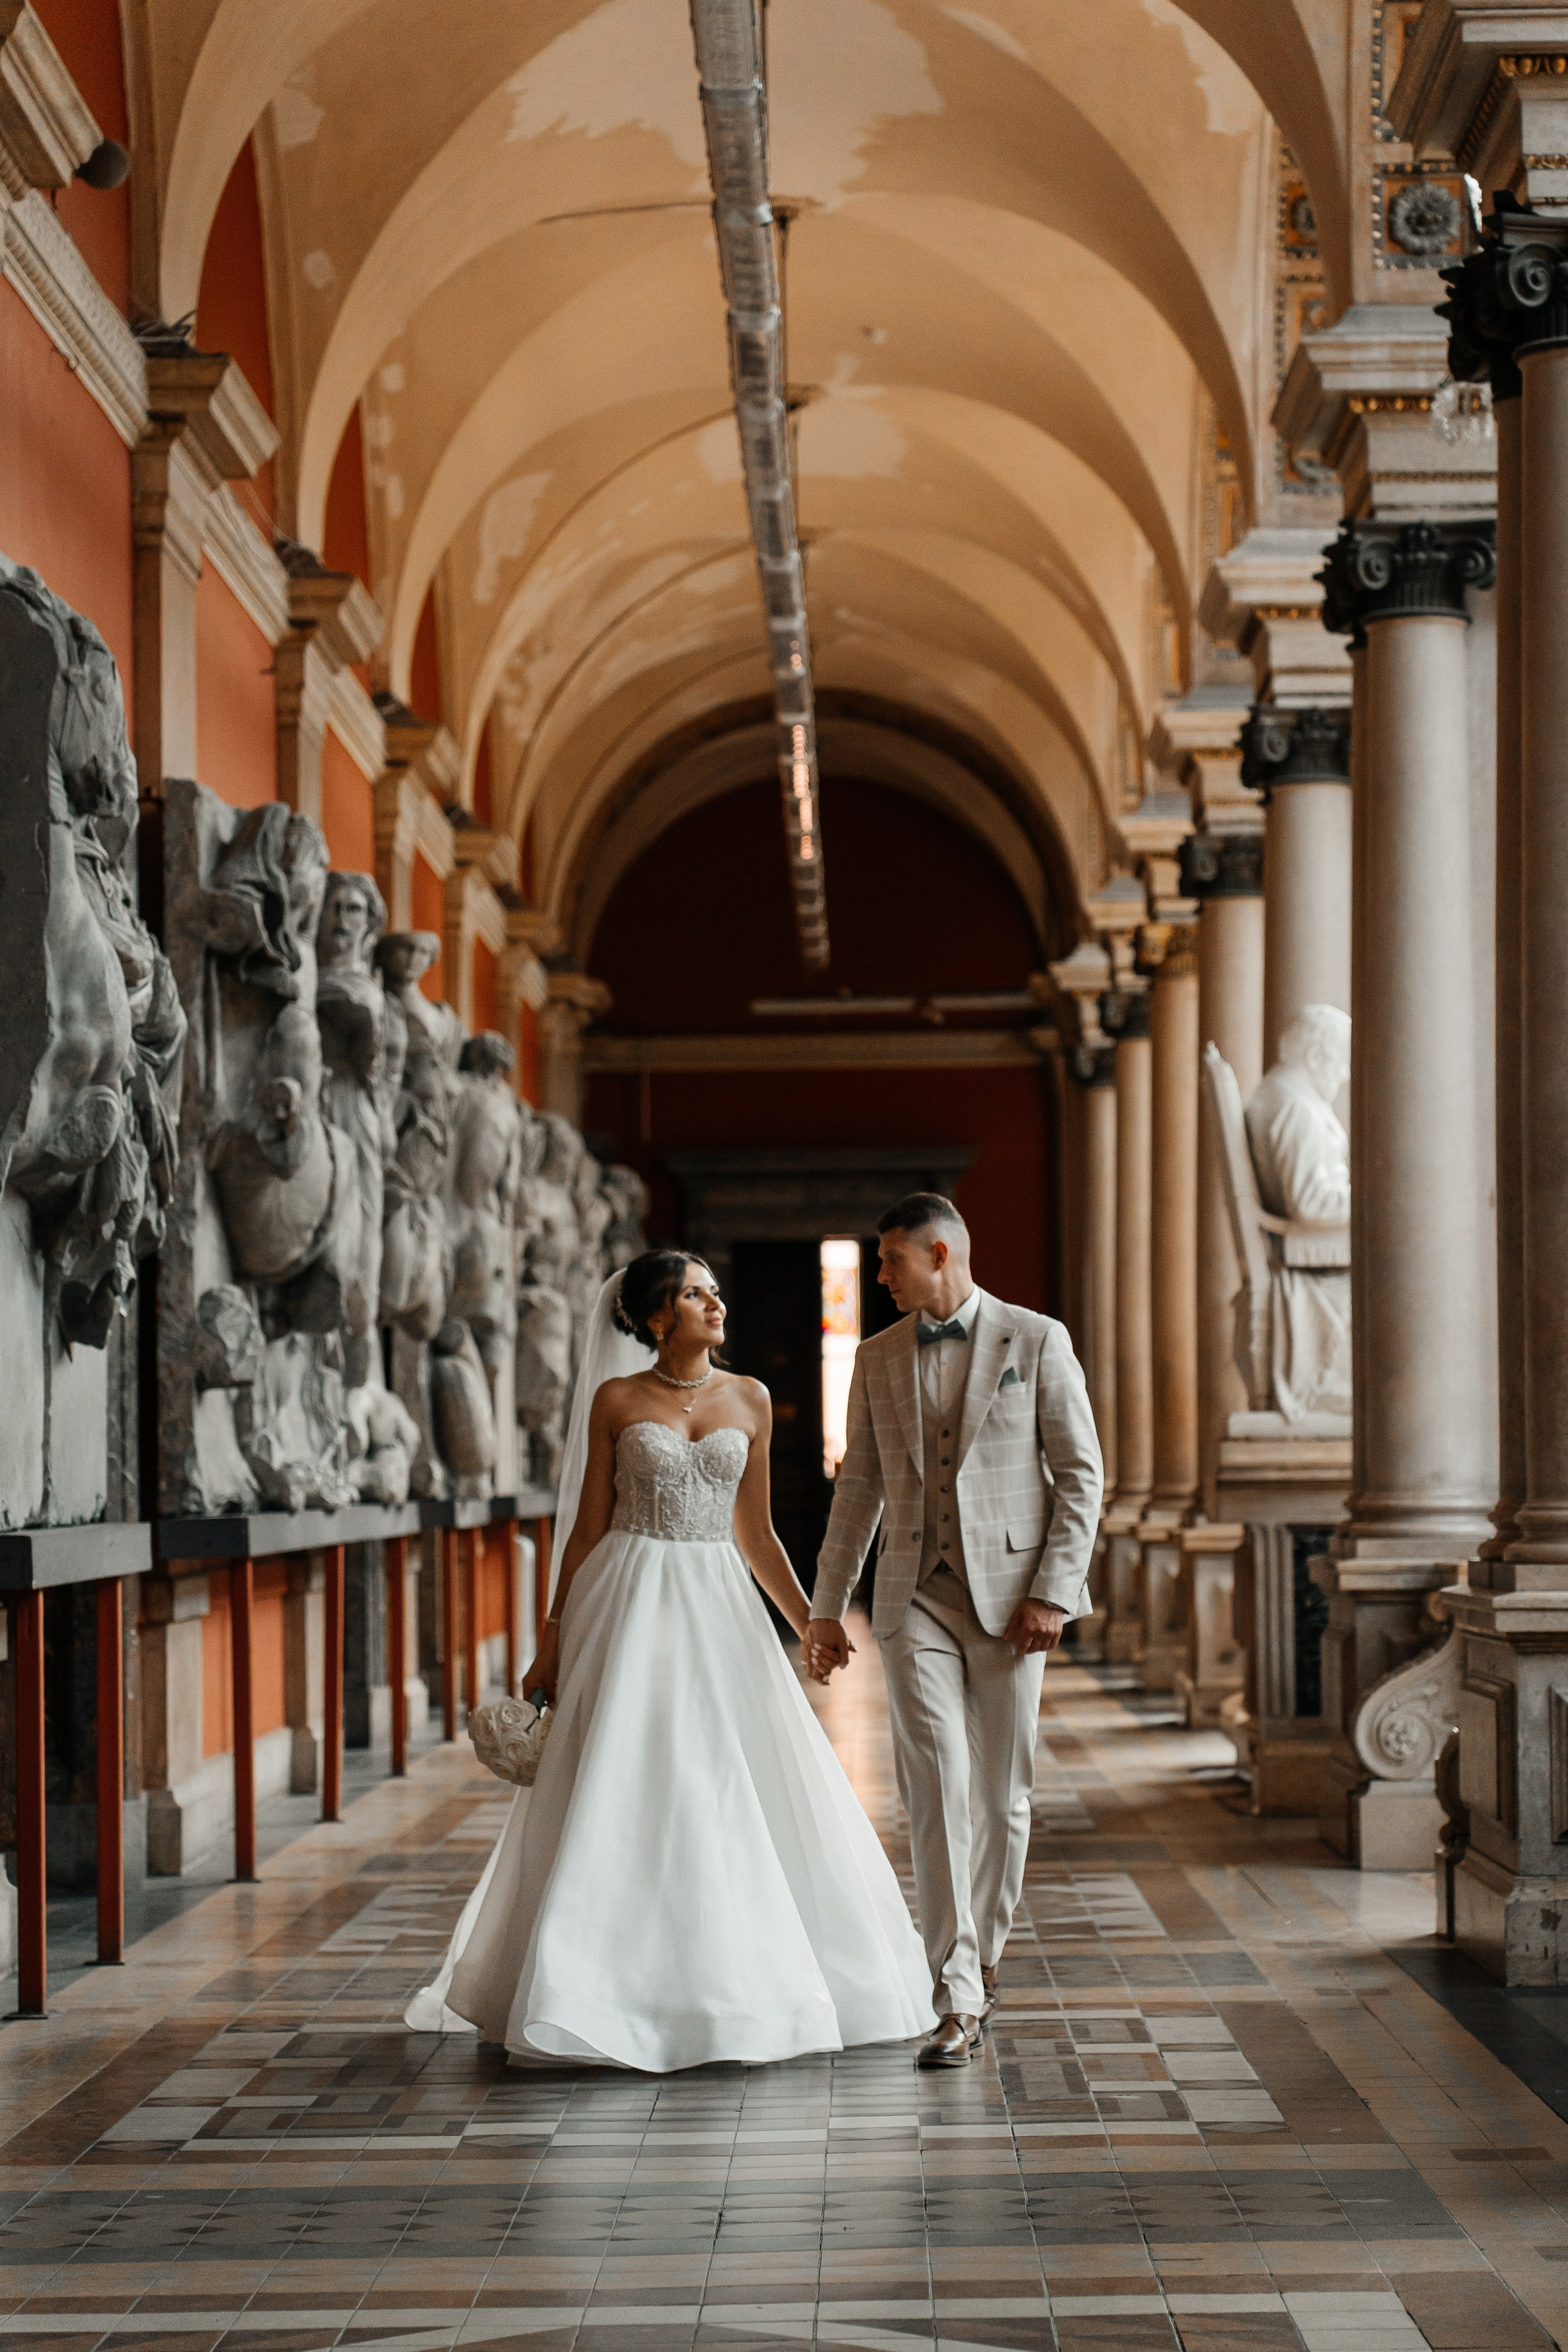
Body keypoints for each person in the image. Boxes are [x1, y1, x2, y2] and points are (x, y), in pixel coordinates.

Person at [405, 1248, 934, 2072]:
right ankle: (593, 1987)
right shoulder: (618, 1401)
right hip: (627, 1597)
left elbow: (755, 1534)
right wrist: (552, 1636)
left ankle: (730, 1985)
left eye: (715, 1291)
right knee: (626, 1776)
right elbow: (585, 1529)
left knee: (724, 1778)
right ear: (657, 1318)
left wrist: (811, 1621)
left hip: (717, 1604)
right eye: (695, 1294)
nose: (715, 1303)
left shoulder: (749, 1398)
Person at [806, 1194, 1102, 2068]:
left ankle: (989, 1952)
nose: (881, 1277)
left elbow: (1082, 1476)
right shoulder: (875, 1356)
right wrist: (828, 1607)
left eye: (891, 1261)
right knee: (934, 1789)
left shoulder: (1036, 1339)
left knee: (1003, 1796)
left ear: (940, 1253)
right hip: (912, 1598)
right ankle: (957, 1991)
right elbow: (857, 1487)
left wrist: (1053, 1592)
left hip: (1015, 1603)